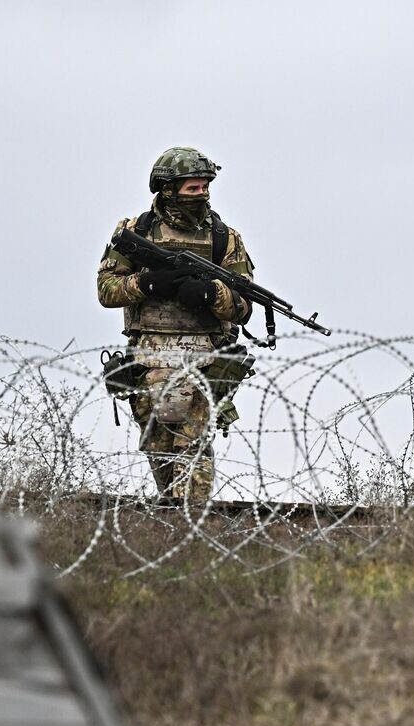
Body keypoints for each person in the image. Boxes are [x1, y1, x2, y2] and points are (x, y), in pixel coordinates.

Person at [97, 147, 255, 502]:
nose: (202, 195)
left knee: (194, 447)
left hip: (204, 358)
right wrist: (149, 284)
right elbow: (106, 291)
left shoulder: (223, 239)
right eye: (192, 189)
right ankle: (174, 526)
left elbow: (244, 309)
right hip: (148, 358)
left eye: (204, 187)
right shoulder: (136, 231)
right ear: (167, 189)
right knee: (160, 452)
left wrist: (210, 294)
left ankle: (192, 520)